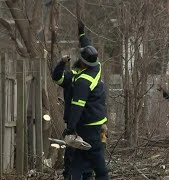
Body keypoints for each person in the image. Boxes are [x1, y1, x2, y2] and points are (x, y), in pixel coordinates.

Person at [62, 20, 109, 180]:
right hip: (100, 124)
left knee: (97, 167)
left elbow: (77, 106)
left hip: (88, 128)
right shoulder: (97, 67)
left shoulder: (83, 82)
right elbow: (89, 48)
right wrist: (82, 34)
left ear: (82, 62)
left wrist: (71, 128)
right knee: (83, 162)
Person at [51, 22, 95, 180]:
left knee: (79, 158)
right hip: (79, 125)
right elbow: (56, 77)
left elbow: (89, 50)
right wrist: (62, 63)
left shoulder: (86, 75)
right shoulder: (78, 75)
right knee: (74, 158)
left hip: (80, 125)